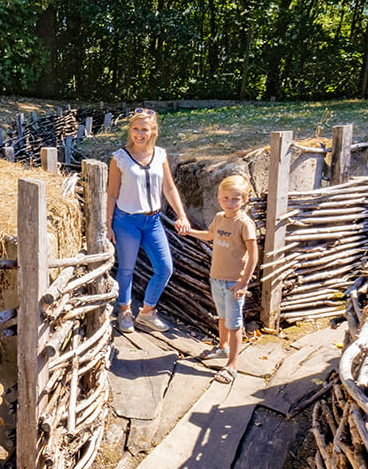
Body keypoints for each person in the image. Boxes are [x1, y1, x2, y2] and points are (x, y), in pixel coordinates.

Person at [105, 107, 193, 333]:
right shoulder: (119, 157)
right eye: (135, 128)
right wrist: (108, 224)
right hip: (126, 221)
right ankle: (125, 310)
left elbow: (170, 188)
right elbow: (112, 193)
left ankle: (146, 311)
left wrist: (182, 215)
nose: (139, 134)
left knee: (164, 268)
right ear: (130, 130)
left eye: (144, 129)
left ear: (153, 131)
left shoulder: (160, 155)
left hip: (153, 221)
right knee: (126, 269)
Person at [184, 175, 259, 383]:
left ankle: (232, 365)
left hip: (234, 282)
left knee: (234, 323)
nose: (229, 202)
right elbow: (209, 236)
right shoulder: (219, 218)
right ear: (219, 198)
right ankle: (223, 347)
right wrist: (190, 232)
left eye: (235, 199)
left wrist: (244, 282)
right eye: (225, 198)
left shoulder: (244, 224)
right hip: (216, 278)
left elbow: (254, 254)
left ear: (244, 199)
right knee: (223, 317)